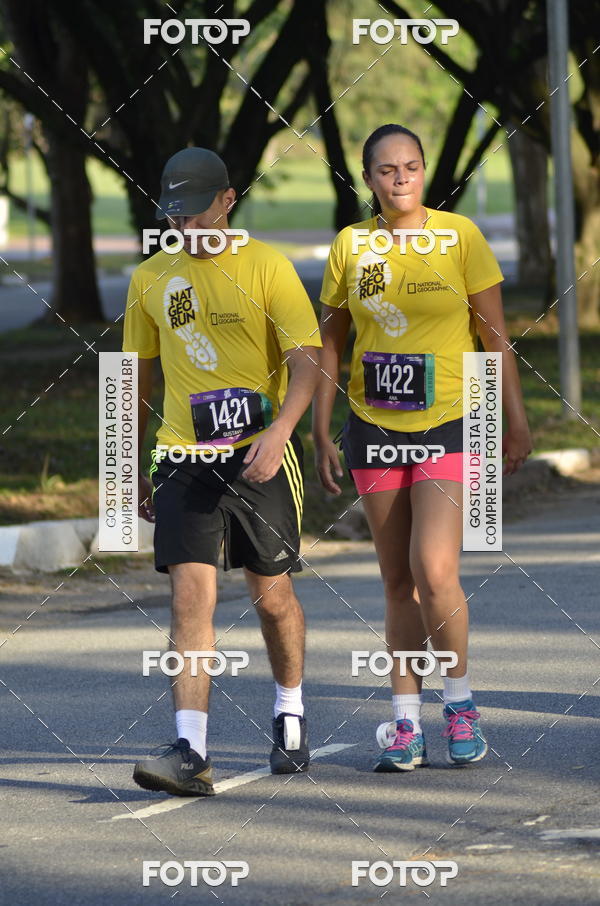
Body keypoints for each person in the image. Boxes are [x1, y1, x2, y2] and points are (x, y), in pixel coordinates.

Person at [313, 124, 532, 772]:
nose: (400, 178)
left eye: (411, 166)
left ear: (425, 170)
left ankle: (459, 703)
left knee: (436, 570)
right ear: (368, 177)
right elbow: (330, 344)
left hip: (449, 418)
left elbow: (496, 338)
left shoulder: (459, 236)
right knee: (397, 579)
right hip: (372, 425)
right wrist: (321, 428)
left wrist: (514, 423)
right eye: (387, 169)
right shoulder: (351, 246)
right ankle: (405, 722)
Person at [123, 147, 321, 796]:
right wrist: (129, 467)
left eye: (198, 212)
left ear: (228, 201)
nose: (187, 227)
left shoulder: (266, 266)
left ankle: (289, 711)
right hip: (184, 456)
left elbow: (307, 362)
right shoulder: (150, 279)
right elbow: (133, 378)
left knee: (272, 597)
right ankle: (192, 751)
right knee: (190, 598)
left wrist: (281, 432)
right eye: (175, 216)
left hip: (259, 455)